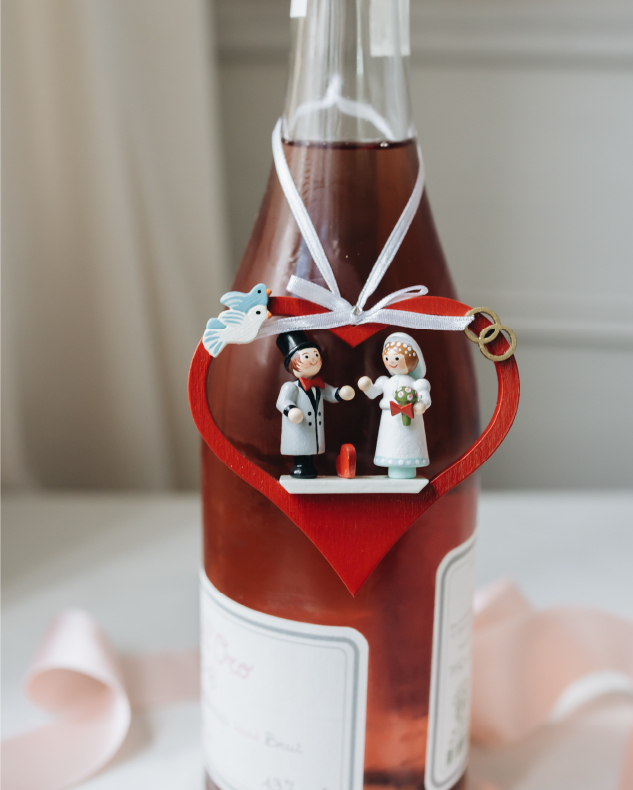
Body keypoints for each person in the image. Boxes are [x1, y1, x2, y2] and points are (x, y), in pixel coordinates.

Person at [276, 331, 355, 479]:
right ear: (292, 364)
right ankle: (299, 466)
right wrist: (291, 410)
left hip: (313, 431)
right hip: (298, 428)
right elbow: (282, 402)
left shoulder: (318, 386)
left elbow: (331, 394)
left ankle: (309, 465)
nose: (313, 359)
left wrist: (341, 393)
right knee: (301, 447)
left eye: (316, 355)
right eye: (307, 356)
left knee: (310, 447)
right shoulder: (290, 387)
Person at [358, 332, 431, 479]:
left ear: (412, 361)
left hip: (410, 421)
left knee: (409, 446)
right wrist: (367, 387)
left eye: (397, 358)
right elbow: (373, 392)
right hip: (390, 422)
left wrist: (420, 405)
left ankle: (407, 472)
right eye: (387, 358)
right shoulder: (385, 381)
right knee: (391, 445)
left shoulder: (417, 383)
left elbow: (425, 398)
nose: (391, 362)